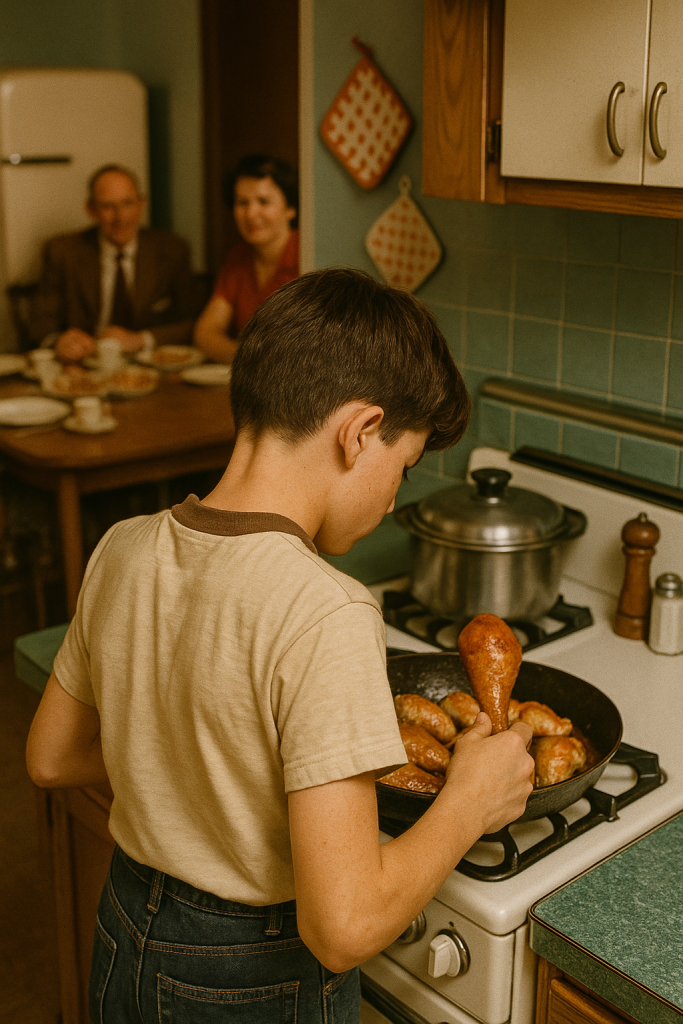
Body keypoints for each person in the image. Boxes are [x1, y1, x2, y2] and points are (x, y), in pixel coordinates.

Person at [26, 268, 534, 1024]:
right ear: (359, 431)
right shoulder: (326, 609)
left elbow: (52, 757)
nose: (394, 499)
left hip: (127, 929)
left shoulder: (122, 547)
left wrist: (199, 761)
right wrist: (467, 801)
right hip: (246, 979)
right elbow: (343, 928)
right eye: (401, 467)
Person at [29, 164, 195, 362]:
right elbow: (40, 324)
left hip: (148, 366)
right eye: (108, 206)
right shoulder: (62, 251)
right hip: (83, 365)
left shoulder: (172, 250)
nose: (121, 217)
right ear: (91, 210)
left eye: (127, 203)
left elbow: (191, 321)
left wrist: (141, 339)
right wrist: (59, 341)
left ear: (141, 204)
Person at [194, 153, 298, 363]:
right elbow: (205, 334)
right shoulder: (238, 257)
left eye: (263, 201)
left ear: (291, 209)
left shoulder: (307, 256)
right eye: (242, 202)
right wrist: (254, 363)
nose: (251, 214)